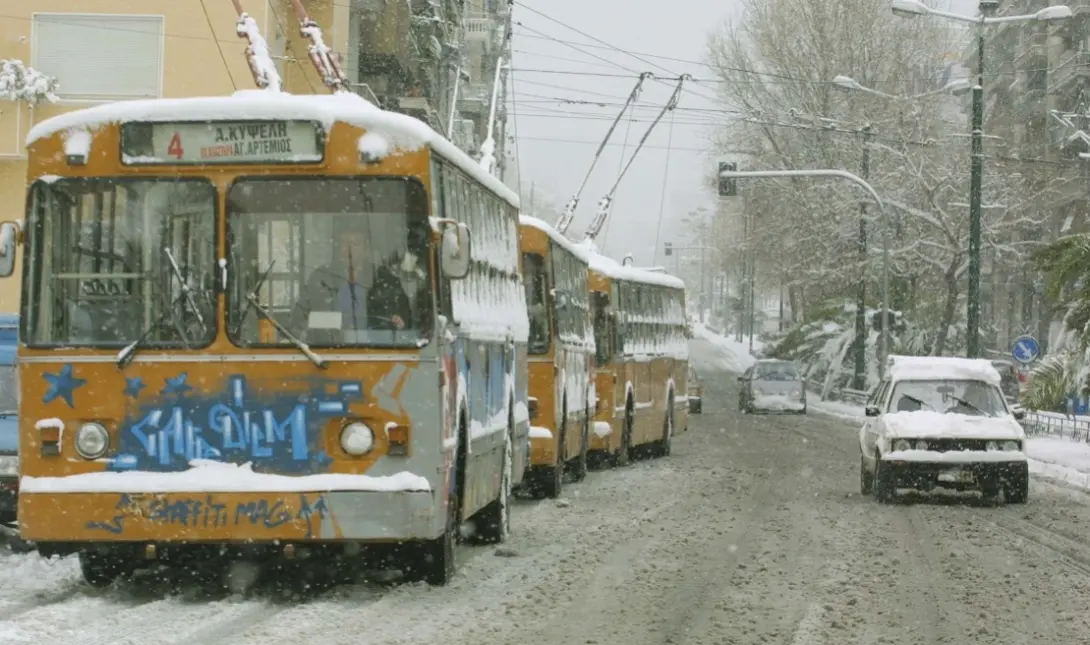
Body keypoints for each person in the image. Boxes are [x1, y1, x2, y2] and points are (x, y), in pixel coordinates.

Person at [293, 229, 413, 340]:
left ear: (366, 250)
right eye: (344, 243)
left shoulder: (383, 279)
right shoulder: (321, 278)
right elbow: (300, 317)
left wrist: (399, 320)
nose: (348, 250)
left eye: (354, 244)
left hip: (376, 350)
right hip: (327, 350)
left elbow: (405, 318)